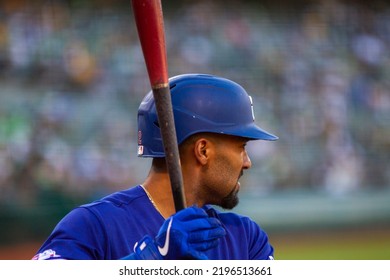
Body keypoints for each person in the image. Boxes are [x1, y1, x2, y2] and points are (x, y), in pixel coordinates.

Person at [32, 73, 278, 260]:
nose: (247, 162)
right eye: (241, 146)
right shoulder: (93, 225)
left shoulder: (246, 239)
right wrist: (150, 260)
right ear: (203, 151)